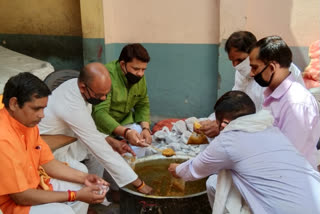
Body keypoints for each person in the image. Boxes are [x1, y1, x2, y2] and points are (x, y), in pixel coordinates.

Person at [168, 91, 320, 214]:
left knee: (215, 182)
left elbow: (194, 170)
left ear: (224, 122)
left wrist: (176, 169)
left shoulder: (228, 140)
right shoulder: (270, 129)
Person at [0, 72, 108, 214]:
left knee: (82, 183)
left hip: (36, 185)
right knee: (63, 210)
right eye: (36, 108)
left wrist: (86, 178)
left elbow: (47, 162)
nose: (42, 115)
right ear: (14, 104)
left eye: (43, 108)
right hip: (9, 205)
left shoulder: (27, 124)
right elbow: (21, 197)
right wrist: (74, 195)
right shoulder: (3, 139)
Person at [38, 63, 152, 195]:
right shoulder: (71, 104)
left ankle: (97, 196)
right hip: (50, 150)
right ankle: (90, 196)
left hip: (68, 139)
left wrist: (110, 140)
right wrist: (139, 184)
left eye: (106, 94)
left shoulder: (78, 87)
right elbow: (98, 146)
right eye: (99, 95)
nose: (103, 99)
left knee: (98, 155)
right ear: (82, 87)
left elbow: (88, 129)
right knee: (84, 170)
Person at [196, 31, 305, 138]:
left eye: (240, 60)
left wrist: (226, 125)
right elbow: (235, 103)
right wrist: (214, 120)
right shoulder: (243, 73)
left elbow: (272, 119)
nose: (236, 66)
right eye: (232, 61)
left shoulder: (283, 76)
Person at [249, 36, 320, 169]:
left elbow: (288, 154)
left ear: (271, 67)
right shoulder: (273, 95)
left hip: (290, 176)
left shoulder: (296, 102)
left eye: (255, 68)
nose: (252, 74)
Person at [92, 43, 152, 156]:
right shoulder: (106, 76)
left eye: (144, 70)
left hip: (124, 121)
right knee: (102, 157)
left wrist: (146, 129)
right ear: (122, 64)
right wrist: (125, 133)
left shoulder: (139, 77)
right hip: (100, 126)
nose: (140, 74)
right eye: (136, 69)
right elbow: (100, 113)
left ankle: (133, 167)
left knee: (141, 138)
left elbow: (142, 104)